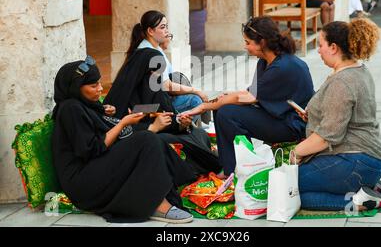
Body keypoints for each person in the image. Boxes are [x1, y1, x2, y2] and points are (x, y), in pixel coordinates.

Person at [51, 56, 195, 223]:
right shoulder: (70, 109)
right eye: (93, 85)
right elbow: (92, 150)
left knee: (154, 141)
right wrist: (123, 123)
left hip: (94, 168)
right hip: (83, 183)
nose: (99, 89)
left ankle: (179, 185)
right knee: (146, 140)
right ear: (75, 88)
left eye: (99, 83)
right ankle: (156, 204)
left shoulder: (83, 104)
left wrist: (103, 113)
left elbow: (93, 126)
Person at [179, 16, 315, 177]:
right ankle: (235, 166)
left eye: (248, 42)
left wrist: (203, 106)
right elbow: (253, 94)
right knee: (224, 109)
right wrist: (226, 97)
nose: (246, 47)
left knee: (226, 112)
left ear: (262, 43)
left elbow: (247, 97)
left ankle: (237, 169)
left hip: (293, 125)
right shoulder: (264, 62)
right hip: (278, 117)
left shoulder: (284, 66)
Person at [291, 18, 381, 211]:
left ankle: (364, 200)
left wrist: (295, 154)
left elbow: (326, 137)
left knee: (290, 190)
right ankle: (367, 187)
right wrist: (314, 117)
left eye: (320, 44)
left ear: (333, 48)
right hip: (365, 160)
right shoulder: (357, 71)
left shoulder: (342, 82)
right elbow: (342, 115)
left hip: (355, 162)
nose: (318, 49)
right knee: (293, 187)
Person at [103, 12, 222, 177]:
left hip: (152, 121)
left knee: (198, 134)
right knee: (184, 137)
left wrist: (179, 122)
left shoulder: (152, 62)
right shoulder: (121, 103)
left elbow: (156, 108)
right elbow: (132, 124)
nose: (167, 32)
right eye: (163, 27)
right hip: (147, 133)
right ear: (150, 31)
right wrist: (155, 125)